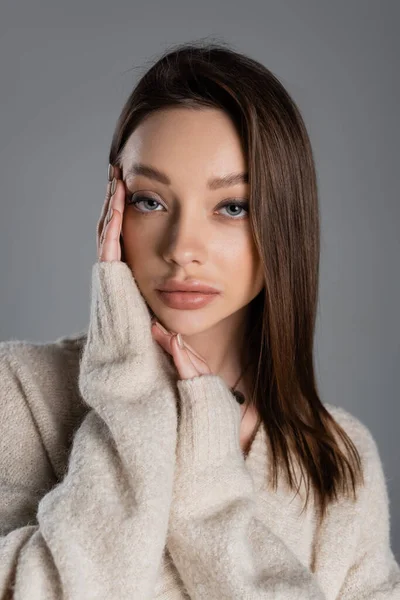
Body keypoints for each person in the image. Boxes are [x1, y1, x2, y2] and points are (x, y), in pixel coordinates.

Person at [0, 41, 399, 599]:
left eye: (232, 206)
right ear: (112, 213)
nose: (183, 247)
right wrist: (134, 398)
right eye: (150, 201)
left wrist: (205, 480)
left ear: (283, 224)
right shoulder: (19, 393)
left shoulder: (337, 459)